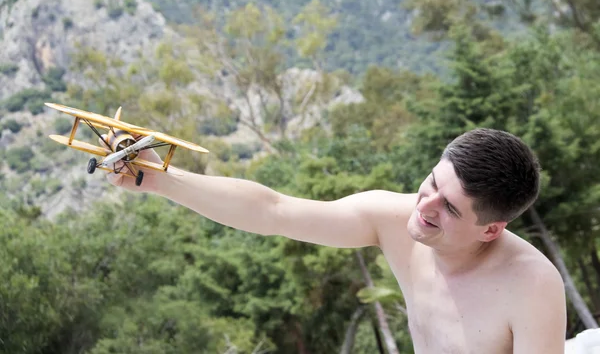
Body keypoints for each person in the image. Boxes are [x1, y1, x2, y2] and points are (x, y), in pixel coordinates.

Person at [105, 128, 567, 353]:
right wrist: (159, 179)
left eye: (449, 208)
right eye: (431, 183)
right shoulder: (393, 217)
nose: (424, 206)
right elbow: (274, 211)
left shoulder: (529, 285)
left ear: (492, 229)